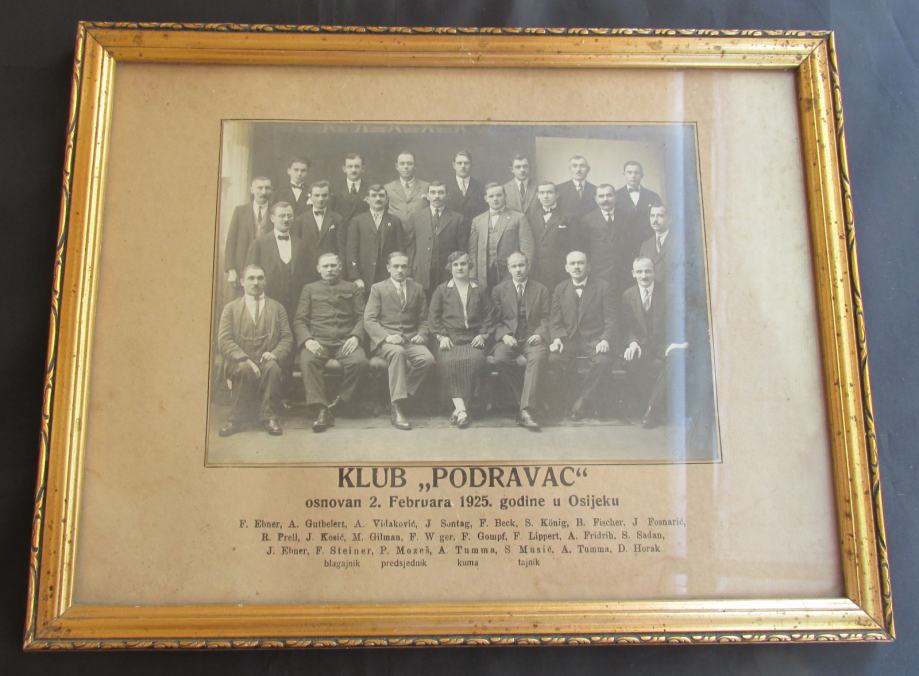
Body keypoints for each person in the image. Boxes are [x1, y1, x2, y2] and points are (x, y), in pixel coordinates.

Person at [293, 253, 369, 432]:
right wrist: (307, 340)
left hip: (345, 341)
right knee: (308, 361)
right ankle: (320, 408)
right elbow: (299, 320)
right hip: (318, 341)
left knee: (360, 362)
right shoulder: (309, 289)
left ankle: (340, 402)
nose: (329, 269)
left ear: (340, 267)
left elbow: (362, 317)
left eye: (333, 266)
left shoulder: (352, 288)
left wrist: (356, 337)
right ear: (318, 269)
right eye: (325, 266)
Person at [216, 264, 293, 436]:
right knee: (243, 368)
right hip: (240, 360)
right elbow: (224, 340)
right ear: (242, 282)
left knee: (272, 368)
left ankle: (270, 417)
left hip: (266, 358)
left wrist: (274, 353)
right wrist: (244, 358)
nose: (256, 282)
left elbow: (287, 338)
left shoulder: (277, 308)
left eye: (260, 278)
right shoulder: (231, 308)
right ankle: (236, 419)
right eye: (251, 278)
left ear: (265, 281)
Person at [363, 252, 435, 430]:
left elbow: (424, 319)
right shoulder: (378, 288)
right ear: (388, 268)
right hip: (385, 341)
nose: (400, 270)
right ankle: (397, 408)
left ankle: (400, 396)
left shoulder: (417, 288)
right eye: (396, 266)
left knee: (428, 360)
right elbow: (369, 320)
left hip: (410, 338)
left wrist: (422, 334)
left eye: (404, 266)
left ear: (409, 268)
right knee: (398, 352)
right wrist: (387, 337)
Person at [549, 250, 616, 420]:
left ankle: (582, 402)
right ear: (566, 268)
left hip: (594, 339)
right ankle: (569, 399)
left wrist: (605, 339)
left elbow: (611, 320)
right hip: (569, 339)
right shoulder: (560, 289)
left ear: (588, 266)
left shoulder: (603, 287)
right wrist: (557, 339)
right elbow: (554, 321)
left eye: (580, 263)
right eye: (572, 263)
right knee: (554, 359)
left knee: (602, 361)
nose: (577, 267)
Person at [620, 256, 687, 427]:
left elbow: (680, 321)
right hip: (641, 345)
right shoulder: (628, 295)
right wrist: (633, 343)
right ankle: (646, 405)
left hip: (664, 344)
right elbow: (627, 327)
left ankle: (653, 409)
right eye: (639, 272)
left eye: (648, 271)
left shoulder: (669, 292)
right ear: (633, 273)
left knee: (676, 359)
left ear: (654, 272)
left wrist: (675, 343)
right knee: (631, 361)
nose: (644, 276)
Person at [429, 251, 493, 428]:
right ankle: (462, 409)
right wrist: (441, 336)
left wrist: (483, 334)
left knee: (476, 360)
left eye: (463, 264)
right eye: (455, 265)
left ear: (469, 266)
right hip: (450, 338)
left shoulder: (479, 289)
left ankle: (460, 411)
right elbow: (433, 318)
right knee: (448, 361)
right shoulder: (442, 290)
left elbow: (489, 315)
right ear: (450, 268)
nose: (459, 268)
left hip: (473, 337)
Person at [490, 252, 550, 431]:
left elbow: (547, 317)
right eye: (514, 266)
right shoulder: (499, 290)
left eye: (521, 265)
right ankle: (528, 399)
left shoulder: (541, 289)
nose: (518, 270)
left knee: (537, 358)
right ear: (508, 269)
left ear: (528, 266)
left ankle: (525, 410)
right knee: (500, 358)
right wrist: (504, 335)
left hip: (532, 338)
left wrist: (540, 334)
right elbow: (494, 320)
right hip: (509, 338)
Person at [245, 201, 308, 326]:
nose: (286, 219)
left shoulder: (301, 245)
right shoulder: (259, 243)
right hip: (268, 302)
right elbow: (250, 274)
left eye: (289, 216)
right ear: (272, 218)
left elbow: (307, 275)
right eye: (282, 216)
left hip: (296, 304)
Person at [467, 183, 535, 290]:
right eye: (491, 196)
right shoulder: (477, 221)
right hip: (484, 274)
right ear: (486, 198)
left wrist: (523, 271)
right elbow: (473, 251)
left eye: (499, 195)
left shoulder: (518, 218)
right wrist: (472, 275)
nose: (495, 199)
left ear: (505, 196)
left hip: (510, 273)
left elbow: (527, 248)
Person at [403, 181, 466, 295]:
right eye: (433, 192)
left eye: (440, 192)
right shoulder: (416, 217)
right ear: (427, 196)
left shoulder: (458, 218)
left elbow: (461, 249)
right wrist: (409, 270)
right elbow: (410, 246)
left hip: (446, 272)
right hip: (421, 271)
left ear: (447, 195)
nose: (436, 196)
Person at [526, 181, 582, 290]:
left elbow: (575, 246)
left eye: (549, 192)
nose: (545, 196)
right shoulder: (531, 217)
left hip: (560, 270)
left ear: (557, 195)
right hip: (537, 270)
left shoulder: (569, 217)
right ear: (537, 196)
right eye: (542, 193)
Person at [346, 184, 403, 290]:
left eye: (381, 195)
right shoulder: (357, 221)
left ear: (387, 199)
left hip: (388, 274)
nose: (378, 199)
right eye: (374, 195)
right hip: (365, 276)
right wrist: (356, 277)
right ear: (367, 199)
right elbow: (351, 250)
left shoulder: (395, 221)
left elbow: (400, 249)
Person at [579, 183, 632, 296]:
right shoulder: (587, 220)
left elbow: (633, 245)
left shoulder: (627, 217)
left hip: (624, 272)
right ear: (596, 199)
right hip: (598, 273)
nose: (605, 199)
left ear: (615, 197)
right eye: (601, 196)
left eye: (609, 195)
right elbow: (584, 248)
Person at [225, 176, 273, 295]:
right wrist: (231, 269)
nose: (263, 192)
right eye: (259, 188)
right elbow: (231, 241)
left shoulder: (276, 211)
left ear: (271, 190)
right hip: (243, 265)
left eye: (267, 188)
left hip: (269, 265)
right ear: (252, 190)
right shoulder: (240, 211)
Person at [293, 180, 347, 283]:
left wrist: (340, 271)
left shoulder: (337, 219)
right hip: (307, 270)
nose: (321, 199)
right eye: (317, 195)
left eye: (324, 195)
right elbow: (297, 249)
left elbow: (341, 249)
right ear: (310, 196)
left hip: (330, 270)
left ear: (329, 196)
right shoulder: (300, 220)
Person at [614, 160, 663, 255]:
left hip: (648, 243)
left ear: (642, 175)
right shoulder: (616, 196)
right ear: (624, 174)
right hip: (623, 246)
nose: (633, 176)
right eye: (629, 172)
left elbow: (660, 220)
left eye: (636, 173)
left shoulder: (653, 196)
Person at [443, 150, 485, 243]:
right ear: (454, 165)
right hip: (450, 235)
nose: (463, 166)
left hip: (473, 234)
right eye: (459, 163)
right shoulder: (445, 186)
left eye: (466, 163)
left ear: (471, 165)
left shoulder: (480, 187)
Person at [638, 204, 678, 289]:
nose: (655, 220)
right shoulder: (645, 245)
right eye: (652, 216)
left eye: (660, 216)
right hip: (653, 293)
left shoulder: (679, 242)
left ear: (670, 219)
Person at [383, 151, 430, 222]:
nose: (406, 167)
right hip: (394, 228)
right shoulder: (387, 188)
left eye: (409, 163)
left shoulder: (427, 187)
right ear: (397, 166)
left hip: (419, 228)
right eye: (402, 164)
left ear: (415, 166)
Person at [331, 153, 370, 226]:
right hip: (341, 230)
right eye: (350, 166)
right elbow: (330, 213)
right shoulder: (334, 188)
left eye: (357, 166)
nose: (353, 170)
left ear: (363, 169)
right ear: (344, 169)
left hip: (362, 229)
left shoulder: (370, 189)